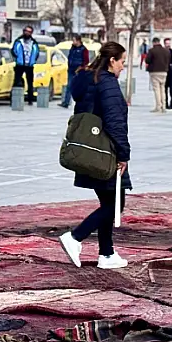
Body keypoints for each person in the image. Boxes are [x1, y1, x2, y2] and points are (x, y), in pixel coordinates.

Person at [58, 42, 131, 269]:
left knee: (109, 200)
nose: (122, 67)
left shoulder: (87, 78)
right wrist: (123, 154)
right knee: (115, 204)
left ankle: (106, 254)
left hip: (88, 149)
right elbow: (114, 122)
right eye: (122, 62)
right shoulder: (107, 84)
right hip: (105, 151)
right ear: (112, 60)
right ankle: (75, 237)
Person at [11, 26, 39, 105]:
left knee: (30, 83)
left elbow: (36, 53)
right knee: (16, 81)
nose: (27, 33)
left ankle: (30, 100)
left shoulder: (34, 43)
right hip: (20, 65)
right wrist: (18, 58)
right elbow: (13, 51)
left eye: (29, 32)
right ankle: (14, 99)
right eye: (26, 31)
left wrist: (33, 61)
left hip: (29, 66)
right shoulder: (18, 41)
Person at [60, 35, 89, 109]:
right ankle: (66, 102)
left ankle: (79, 102)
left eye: (74, 40)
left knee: (77, 87)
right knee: (69, 86)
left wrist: (80, 68)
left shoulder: (83, 49)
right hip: (71, 70)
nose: (73, 42)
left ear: (78, 41)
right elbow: (70, 58)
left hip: (78, 71)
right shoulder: (72, 48)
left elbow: (86, 61)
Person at [145, 38, 170, 113]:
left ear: (153, 42)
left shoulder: (152, 51)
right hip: (164, 72)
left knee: (157, 90)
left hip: (154, 72)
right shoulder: (166, 51)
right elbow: (168, 60)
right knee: (163, 89)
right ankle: (164, 106)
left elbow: (147, 60)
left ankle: (158, 106)